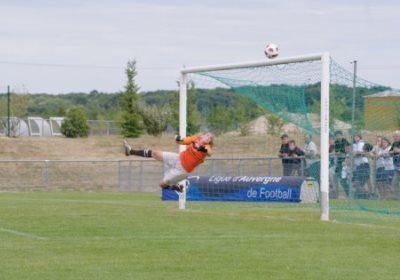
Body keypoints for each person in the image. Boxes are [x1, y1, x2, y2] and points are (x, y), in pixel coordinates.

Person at [123, 133, 213, 192]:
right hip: (178, 158)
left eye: (210, 138)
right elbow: (183, 141)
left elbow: (209, 153)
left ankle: (175, 187)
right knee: (155, 153)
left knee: (161, 184)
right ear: (203, 135)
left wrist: (204, 149)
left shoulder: (207, 147)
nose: (208, 137)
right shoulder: (196, 138)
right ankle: (130, 151)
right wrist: (178, 139)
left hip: (183, 170)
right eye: (207, 135)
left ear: (210, 141)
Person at [333, 130, 350, 195]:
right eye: (337, 136)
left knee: (344, 177)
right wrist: (337, 153)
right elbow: (336, 151)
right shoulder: (336, 142)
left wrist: (342, 153)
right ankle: (346, 192)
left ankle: (349, 192)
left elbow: (348, 150)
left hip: (345, 160)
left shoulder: (345, 141)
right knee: (339, 176)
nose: (338, 137)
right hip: (339, 161)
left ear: (341, 135)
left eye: (339, 135)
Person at [390, 131, 400, 198]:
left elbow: (397, 151)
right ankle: (398, 197)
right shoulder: (394, 143)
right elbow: (390, 152)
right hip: (397, 167)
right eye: (394, 136)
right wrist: (393, 151)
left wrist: (398, 150)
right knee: (394, 182)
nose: (395, 137)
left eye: (396, 136)